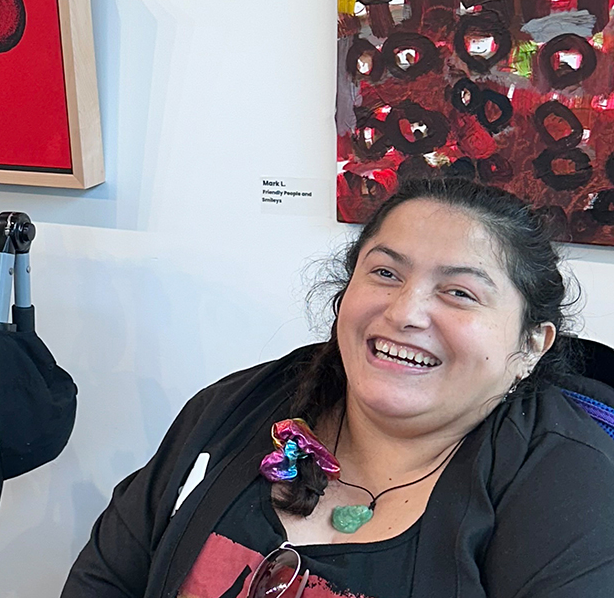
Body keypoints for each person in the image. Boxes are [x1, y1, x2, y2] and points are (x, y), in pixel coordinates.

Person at [62, 178, 614, 598]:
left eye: (459, 293)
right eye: (385, 274)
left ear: (531, 345)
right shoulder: (234, 411)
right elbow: (105, 580)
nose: (405, 312)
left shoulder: (569, 488)